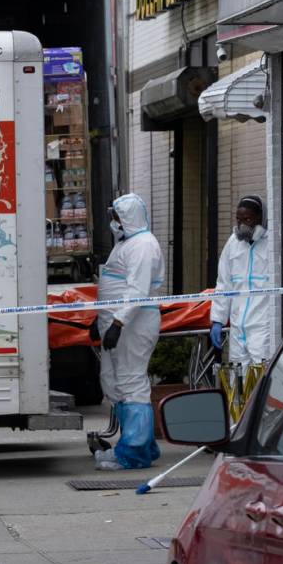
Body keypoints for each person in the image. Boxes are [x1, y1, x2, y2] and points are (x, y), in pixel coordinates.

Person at [91, 194, 165, 471]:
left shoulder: (144, 246)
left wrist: (118, 323)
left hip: (133, 325)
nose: (113, 222)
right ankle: (139, 445)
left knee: (131, 383)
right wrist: (102, 320)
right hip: (116, 323)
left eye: (117, 217)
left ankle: (133, 454)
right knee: (113, 383)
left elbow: (137, 290)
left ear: (128, 218)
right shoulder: (128, 244)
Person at [209, 195, 271, 368]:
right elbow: (224, 283)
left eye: (248, 219)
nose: (242, 225)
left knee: (259, 379)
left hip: (262, 327)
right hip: (237, 328)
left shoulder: (271, 244)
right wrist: (218, 320)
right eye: (238, 219)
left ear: (260, 218)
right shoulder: (233, 244)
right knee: (236, 383)